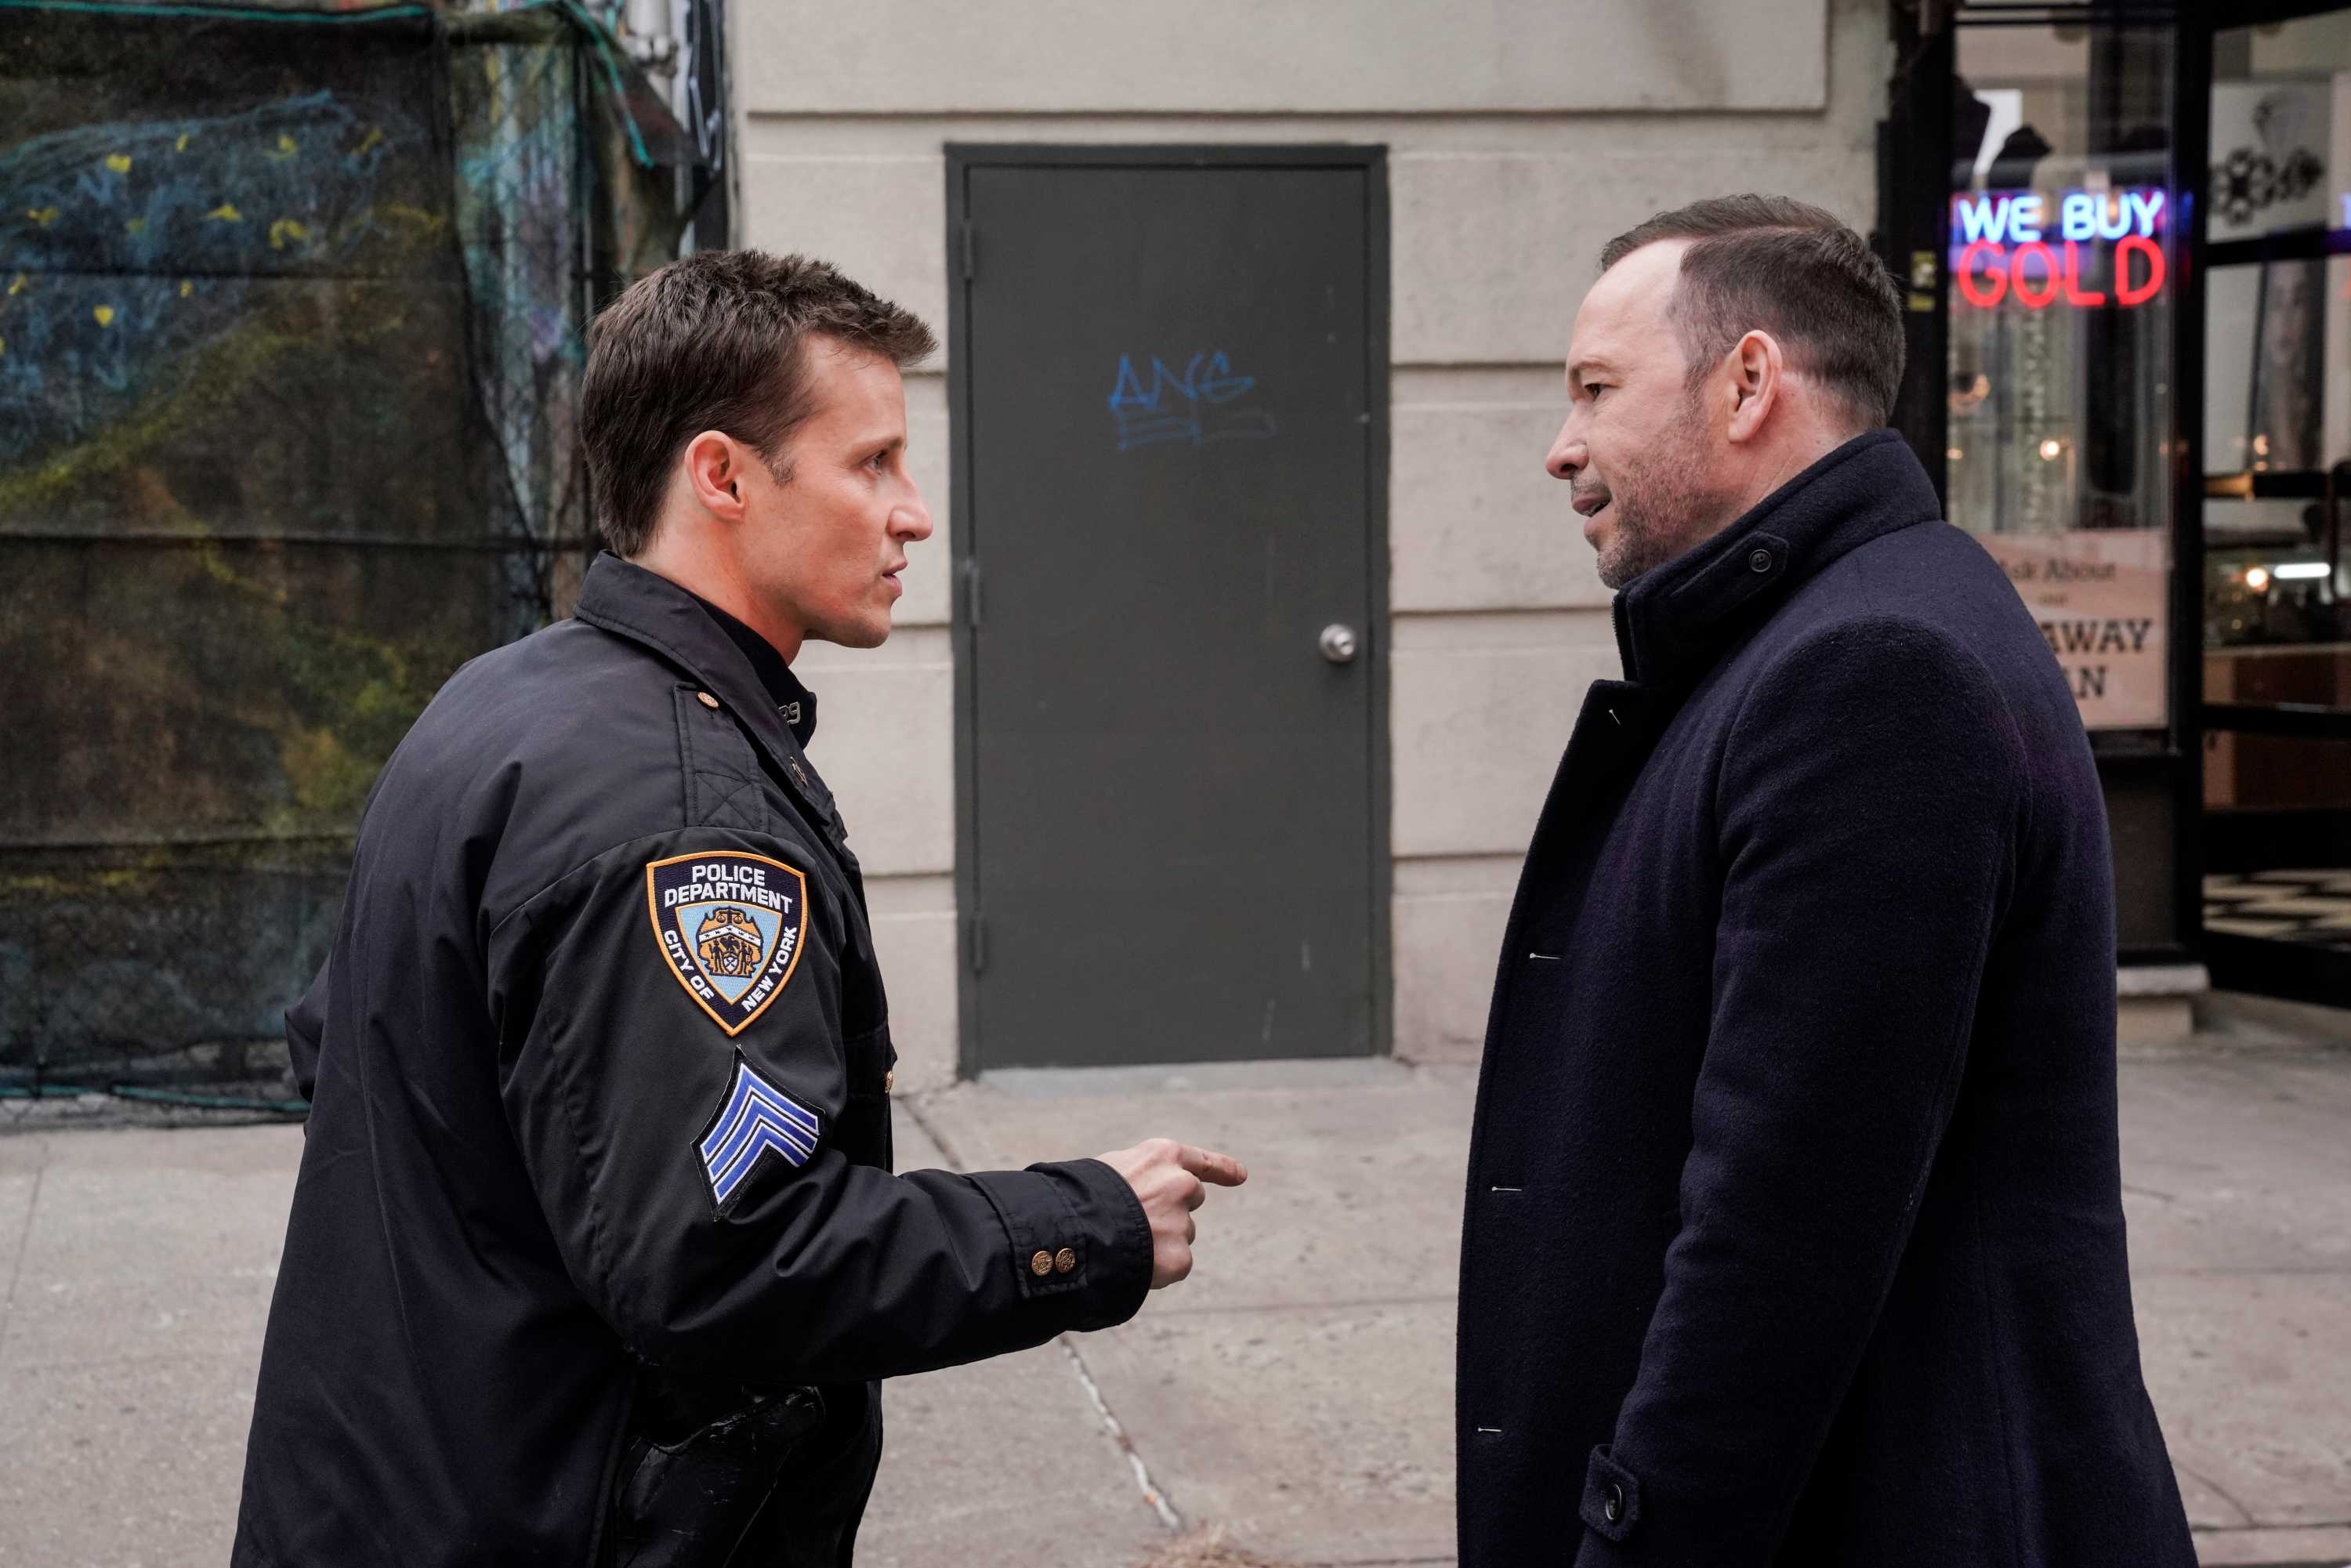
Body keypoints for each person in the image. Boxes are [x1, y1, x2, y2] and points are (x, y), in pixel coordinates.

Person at [234, 250, 1246, 1568]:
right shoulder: (681, 810)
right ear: (721, 476)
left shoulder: (505, 700)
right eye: (871, 463)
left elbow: (350, 1046)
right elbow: (729, 1262)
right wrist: (1088, 1224)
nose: (914, 514)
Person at [1454, 197, 2195, 1566]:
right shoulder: (1828, 630)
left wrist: (1640, 1541)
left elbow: (1778, 1238)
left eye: (1596, 392)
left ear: (1748, 382)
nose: (1562, 447)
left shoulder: (1870, 673)